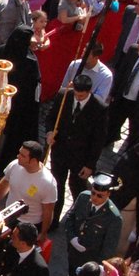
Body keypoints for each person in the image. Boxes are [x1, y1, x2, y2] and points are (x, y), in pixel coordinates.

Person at [47, 73, 108, 216]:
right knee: (57, 186)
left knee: (77, 187)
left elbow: (98, 139)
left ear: (89, 92)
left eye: (81, 96)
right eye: (76, 94)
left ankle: (81, 215)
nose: (77, 97)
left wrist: (90, 165)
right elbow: (51, 117)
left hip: (81, 157)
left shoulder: (99, 108)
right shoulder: (64, 96)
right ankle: (54, 219)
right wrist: (50, 132)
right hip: (60, 152)